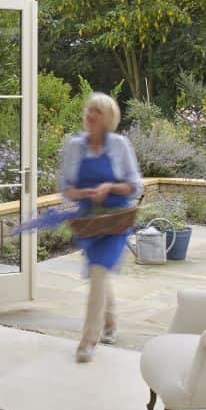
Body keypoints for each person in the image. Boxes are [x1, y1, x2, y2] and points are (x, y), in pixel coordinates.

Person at [58, 92, 143, 363]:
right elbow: (65, 188)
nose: (89, 115)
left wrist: (108, 187)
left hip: (116, 219)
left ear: (108, 118)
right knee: (100, 273)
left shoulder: (119, 145)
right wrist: (80, 193)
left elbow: (134, 185)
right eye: (88, 110)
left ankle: (88, 341)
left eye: (96, 111)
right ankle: (110, 324)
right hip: (89, 221)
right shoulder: (74, 146)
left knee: (97, 272)